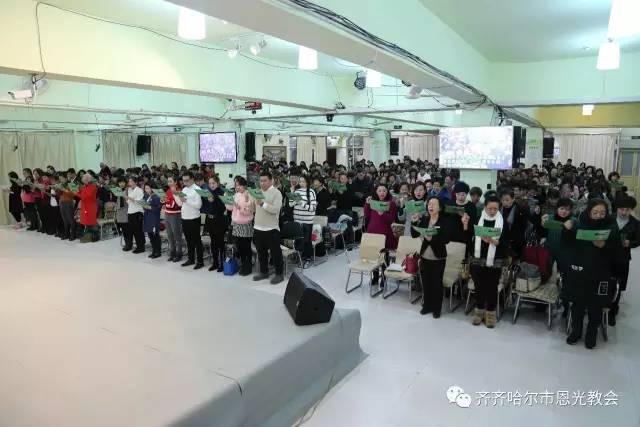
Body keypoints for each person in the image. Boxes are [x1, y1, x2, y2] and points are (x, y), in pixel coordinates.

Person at [564, 199, 620, 349]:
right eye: (595, 212)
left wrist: (605, 245)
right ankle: (576, 331)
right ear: (589, 212)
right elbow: (568, 243)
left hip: (601, 273)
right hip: (580, 272)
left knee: (596, 307)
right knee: (578, 305)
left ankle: (591, 333)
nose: (599, 216)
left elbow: (618, 252)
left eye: (602, 213)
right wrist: (567, 229)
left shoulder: (612, 226)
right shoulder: (580, 224)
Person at [469, 195, 507, 329]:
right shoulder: (478, 219)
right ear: (485, 207)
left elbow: (506, 243)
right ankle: (479, 311)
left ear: (499, 208)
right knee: (478, 287)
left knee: (492, 287)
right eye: (489, 208)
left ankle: (490, 314)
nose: (492, 211)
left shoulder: (502, 222)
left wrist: (496, 242)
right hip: (477, 259)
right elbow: (471, 237)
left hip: (494, 260)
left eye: (495, 209)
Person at [411, 196, 451, 318]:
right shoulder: (424, 219)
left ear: (440, 207)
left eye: (434, 204)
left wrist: (431, 238)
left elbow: (446, 240)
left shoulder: (444, 221)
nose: (430, 206)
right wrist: (414, 222)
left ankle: (436, 308)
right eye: (429, 204)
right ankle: (427, 305)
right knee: (426, 283)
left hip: (438, 257)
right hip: (424, 256)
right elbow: (414, 234)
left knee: (437, 284)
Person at [611, 196, 639, 326]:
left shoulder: (635, 223)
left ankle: (612, 310)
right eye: (621, 209)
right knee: (603, 281)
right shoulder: (609, 218)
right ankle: (600, 306)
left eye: (627, 210)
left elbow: (638, 240)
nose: (623, 212)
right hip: (605, 256)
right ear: (617, 209)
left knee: (618, 284)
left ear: (631, 210)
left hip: (622, 258)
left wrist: (630, 243)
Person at [253, 171, 285, 285]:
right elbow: (253, 209)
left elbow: (276, 209)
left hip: (271, 228)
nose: (262, 183)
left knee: (276, 253)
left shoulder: (277, 193)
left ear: (271, 180)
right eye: (261, 181)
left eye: (265, 180)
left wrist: (263, 204)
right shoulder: (257, 192)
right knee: (261, 253)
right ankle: (264, 272)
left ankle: (279, 274)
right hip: (258, 227)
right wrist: (249, 200)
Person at [364, 184, 398, 287]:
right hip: (373, 232)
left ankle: (384, 277)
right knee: (374, 256)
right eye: (379, 191)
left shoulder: (391, 204)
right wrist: (366, 204)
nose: (382, 193)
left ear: (387, 192)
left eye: (384, 190)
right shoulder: (373, 203)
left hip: (385, 234)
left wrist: (382, 213)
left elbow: (392, 219)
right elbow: (367, 215)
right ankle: (375, 276)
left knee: (384, 257)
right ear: (376, 192)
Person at [176, 171, 204, 270]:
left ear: (192, 179)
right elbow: (180, 204)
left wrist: (186, 200)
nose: (185, 182)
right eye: (183, 181)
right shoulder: (184, 189)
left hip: (194, 218)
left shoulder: (197, 189)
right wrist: (177, 197)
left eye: (187, 180)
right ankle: (191, 258)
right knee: (188, 240)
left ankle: (200, 261)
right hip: (185, 218)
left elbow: (198, 206)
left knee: (196, 240)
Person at [228, 176, 254, 276]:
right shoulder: (236, 194)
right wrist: (227, 200)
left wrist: (240, 207)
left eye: (238, 185)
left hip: (245, 224)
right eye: (235, 185)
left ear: (244, 185)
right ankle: (243, 264)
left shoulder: (249, 195)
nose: (237, 187)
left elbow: (248, 212)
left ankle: (248, 267)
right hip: (236, 224)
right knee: (239, 246)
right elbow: (230, 208)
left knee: (246, 247)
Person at [290, 175, 317, 266]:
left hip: (307, 220)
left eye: (303, 181)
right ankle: (300, 257)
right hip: (297, 220)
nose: (301, 183)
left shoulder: (311, 192)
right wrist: (292, 195)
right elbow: (290, 204)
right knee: (298, 240)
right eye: (300, 181)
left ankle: (308, 258)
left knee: (307, 240)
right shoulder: (297, 191)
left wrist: (302, 203)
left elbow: (313, 208)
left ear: (307, 182)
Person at [204, 176, 227, 272]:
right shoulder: (208, 193)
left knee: (220, 243)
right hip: (210, 220)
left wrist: (214, 201)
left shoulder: (222, 193)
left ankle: (222, 263)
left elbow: (223, 209)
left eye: (213, 183)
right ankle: (215, 263)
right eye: (210, 183)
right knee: (213, 243)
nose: (211, 185)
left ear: (218, 183)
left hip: (219, 221)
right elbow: (206, 208)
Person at [163, 176, 183, 263]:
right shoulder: (168, 191)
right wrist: (163, 201)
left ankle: (179, 253)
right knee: (170, 235)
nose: (169, 183)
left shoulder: (179, 191)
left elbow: (178, 204)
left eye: (171, 181)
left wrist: (168, 203)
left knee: (177, 235)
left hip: (175, 215)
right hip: (167, 214)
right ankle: (172, 252)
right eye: (168, 181)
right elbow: (166, 201)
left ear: (175, 182)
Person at [124, 177, 145, 253]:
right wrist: (127, 199)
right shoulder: (129, 190)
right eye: (129, 181)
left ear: (136, 182)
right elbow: (129, 202)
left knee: (138, 230)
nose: (130, 183)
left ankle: (141, 247)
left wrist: (129, 198)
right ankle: (136, 245)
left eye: (131, 181)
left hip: (137, 212)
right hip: (130, 212)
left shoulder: (139, 190)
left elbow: (140, 202)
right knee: (132, 230)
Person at [76, 173, 98, 243]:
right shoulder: (84, 186)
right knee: (86, 220)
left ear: (88, 180)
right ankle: (89, 235)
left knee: (91, 221)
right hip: (85, 205)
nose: (84, 181)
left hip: (91, 206)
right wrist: (76, 190)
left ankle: (95, 236)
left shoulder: (93, 186)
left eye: (85, 180)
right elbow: (81, 193)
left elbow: (85, 196)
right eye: (83, 180)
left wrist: (76, 193)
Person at [142, 183, 162, 259]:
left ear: (152, 188)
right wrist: (144, 206)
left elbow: (158, 208)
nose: (146, 190)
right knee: (150, 235)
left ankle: (158, 251)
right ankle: (153, 250)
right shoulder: (146, 195)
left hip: (154, 218)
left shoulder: (156, 196)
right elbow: (144, 204)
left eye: (148, 188)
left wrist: (149, 207)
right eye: (145, 188)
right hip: (147, 217)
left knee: (155, 235)